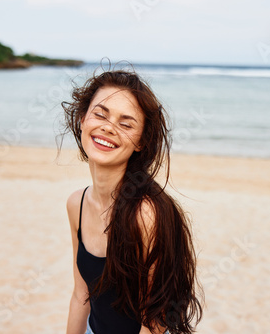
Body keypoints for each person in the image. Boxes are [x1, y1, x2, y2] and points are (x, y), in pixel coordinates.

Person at [61, 68, 203, 334]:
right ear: (82, 119)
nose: (107, 127)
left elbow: (156, 322)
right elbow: (81, 294)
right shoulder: (76, 204)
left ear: (140, 142)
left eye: (126, 124)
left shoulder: (147, 214)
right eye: (100, 114)